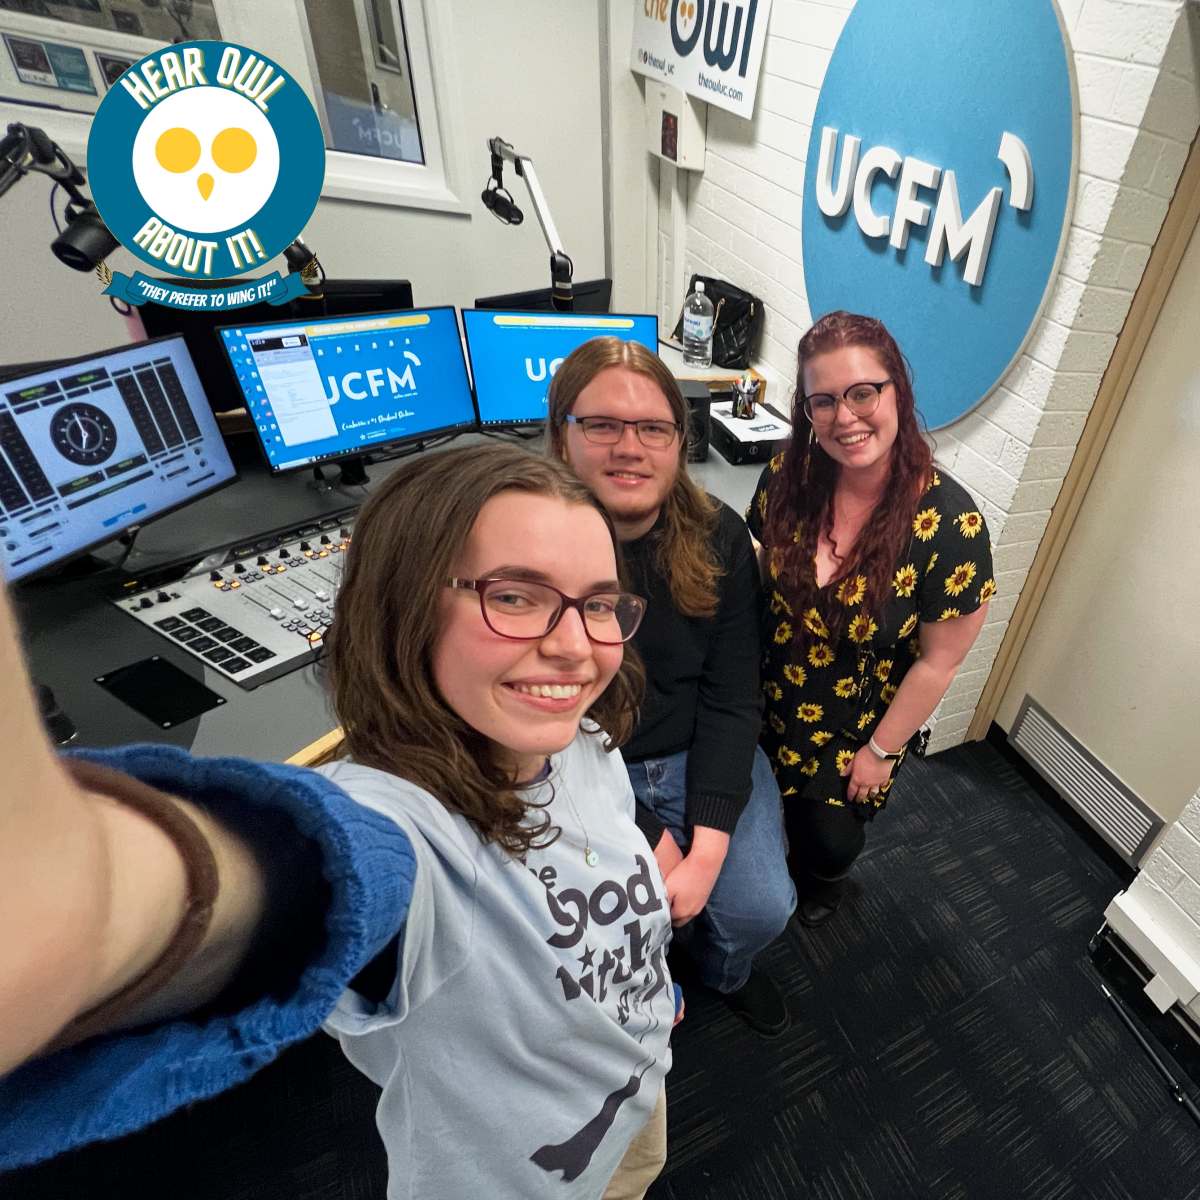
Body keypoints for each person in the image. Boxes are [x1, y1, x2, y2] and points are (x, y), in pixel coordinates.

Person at [0, 445, 679, 1200]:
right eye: (516, 596)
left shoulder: (579, 741)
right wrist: (84, 904)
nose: (576, 646)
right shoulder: (407, 833)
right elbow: (316, 873)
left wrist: (648, 1002)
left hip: (636, 1090)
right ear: (405, 604)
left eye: (597, 603)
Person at [547, 338, 796, 1038]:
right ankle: (647, 977)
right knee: (617, 921)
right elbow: (547, 726)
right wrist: (651, 837)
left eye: (652, 428)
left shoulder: (717, 535)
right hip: (585, 768)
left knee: (758, 909)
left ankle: (725, 974)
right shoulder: (535, 548)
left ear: (679, 442)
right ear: (563, 437)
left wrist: (708, 848)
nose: (630, 446)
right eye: (602, 425)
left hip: (698, 749)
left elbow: (730, 697)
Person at [747, 311, 996, 927]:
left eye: (863, 392)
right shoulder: (787, 474)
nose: (845, 416)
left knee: (827, 841)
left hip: (856, 720)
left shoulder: (951, 526)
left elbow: (942, 660)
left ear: (897, 392)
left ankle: (822, 885)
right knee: (745, 804)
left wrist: (882, 751)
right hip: (763, 684)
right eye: (823, 400)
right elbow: (754, 565)